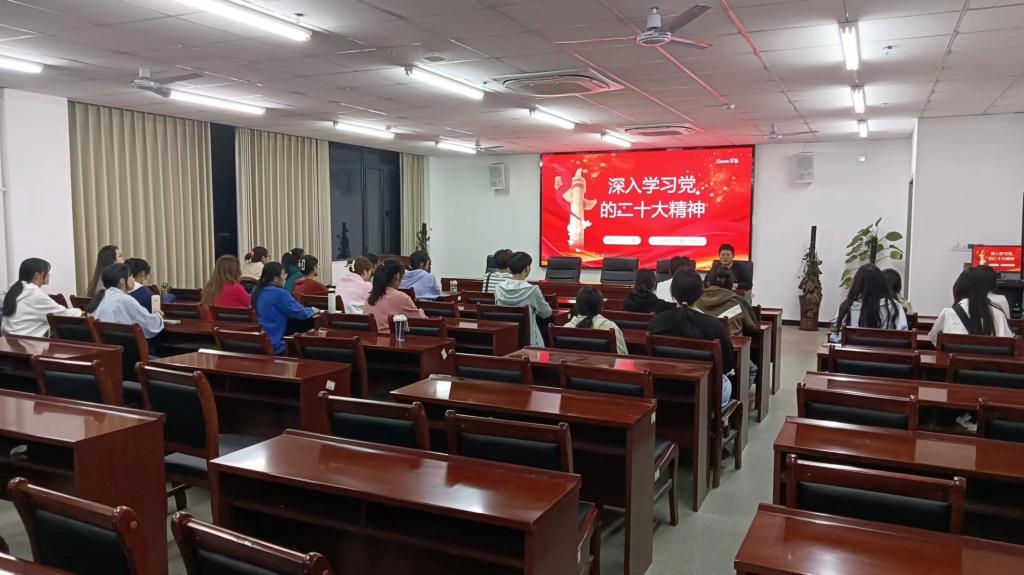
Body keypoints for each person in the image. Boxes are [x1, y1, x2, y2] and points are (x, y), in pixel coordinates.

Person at [649, 270, 735, 407]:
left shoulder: (657, 322)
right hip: (705, 392)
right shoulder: (713, 325)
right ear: (701, 293)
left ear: (673, 293)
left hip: (664, 389)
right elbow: (728, 364)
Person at [929, 268, 1013, 345]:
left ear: (958, 288)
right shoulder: (998, 314)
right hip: (990, 357)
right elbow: (1009, 344)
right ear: (984, 290)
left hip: (955, 357)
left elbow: (935, 339)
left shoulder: (948, 313)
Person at [1, 258, 83, 338]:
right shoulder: (34, 294)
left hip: (9, 339)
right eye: (47, 272)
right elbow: (63, 314)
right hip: (27, 341)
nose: (49, 275)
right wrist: (80, 311)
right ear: (37, 275)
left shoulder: (14, 289)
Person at [829, 264, 908, 343]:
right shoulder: (894, 306)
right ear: (881, 282)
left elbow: (836, 337)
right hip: (886, 350)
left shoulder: (847, 306)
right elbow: (904, 336)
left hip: (853, 350)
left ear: (857, 283)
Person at [252, 262, 318, 354]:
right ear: (276, 279)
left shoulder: (257, 290)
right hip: (274, 344)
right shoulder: (280, 293)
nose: (286, 277)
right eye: (283, 275)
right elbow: (299, 313)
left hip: (258, 342)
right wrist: (313, 310)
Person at [88, 263, 165, 340]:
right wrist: (158, 315)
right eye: (130, 276)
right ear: (122, 280)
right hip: (125, 345)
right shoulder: (125, 299)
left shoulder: (102, 297)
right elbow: (150, 325)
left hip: (108, 343)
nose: (133, 280)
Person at [495, 252, 552, 347]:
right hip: (529, 342)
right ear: (527, 268)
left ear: (509, 269)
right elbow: (546, 313)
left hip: (505, 340)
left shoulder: (498, 288)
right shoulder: (532, 290)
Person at [363, 259, 425, 333]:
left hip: (370, 339)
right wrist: (421, 311)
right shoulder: (401, 298)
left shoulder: (369, 297)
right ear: (397, 276)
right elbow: (422, 321)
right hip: (391, 339)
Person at [695, 266, 757, 337]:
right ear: (731, 284)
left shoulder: (696, 301)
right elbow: (751, 326)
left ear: (708, 283)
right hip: (730, 343)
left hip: (701, 342)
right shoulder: (738, 302)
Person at [565, 286, 627, 354]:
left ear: (576, 306)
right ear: (601, 307)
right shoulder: (611, 328)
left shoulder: (565, 328)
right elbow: (623, 356)